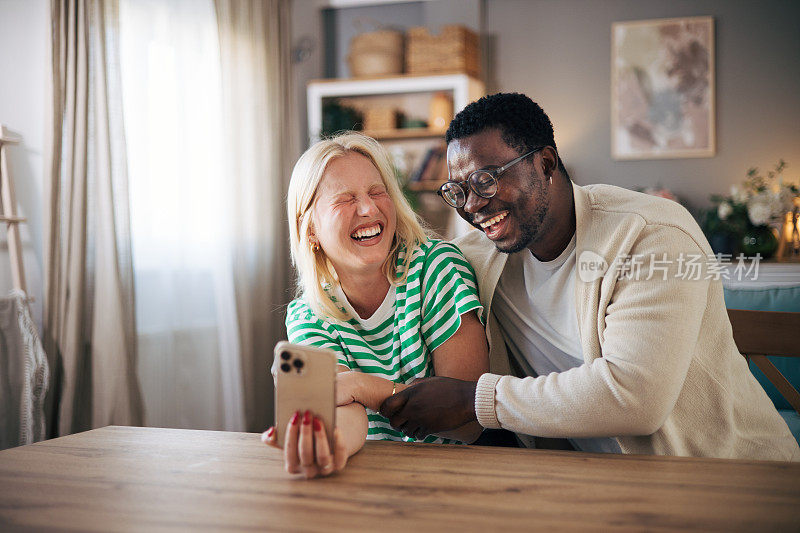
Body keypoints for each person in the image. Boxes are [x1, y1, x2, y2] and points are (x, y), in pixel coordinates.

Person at [380, 93, 800, 461]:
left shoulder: (651, 235)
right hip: (599, 485)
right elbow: (388, 273)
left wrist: (475, 400)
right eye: (457, 190)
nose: (472, 205)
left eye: (485, 180)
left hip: (733, 477)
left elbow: (635, 397)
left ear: (545, 162)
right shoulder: (480, 257)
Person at [262, 132, 490, 478]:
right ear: (310, 230)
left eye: (376, 191)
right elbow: (341, 406)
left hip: (458, 476)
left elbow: (468, 420)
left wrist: (362, 385)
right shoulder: (309, 314)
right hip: (374, 477)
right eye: (345, 198)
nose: (368, 208)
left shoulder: (435, 268)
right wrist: (332, 442)